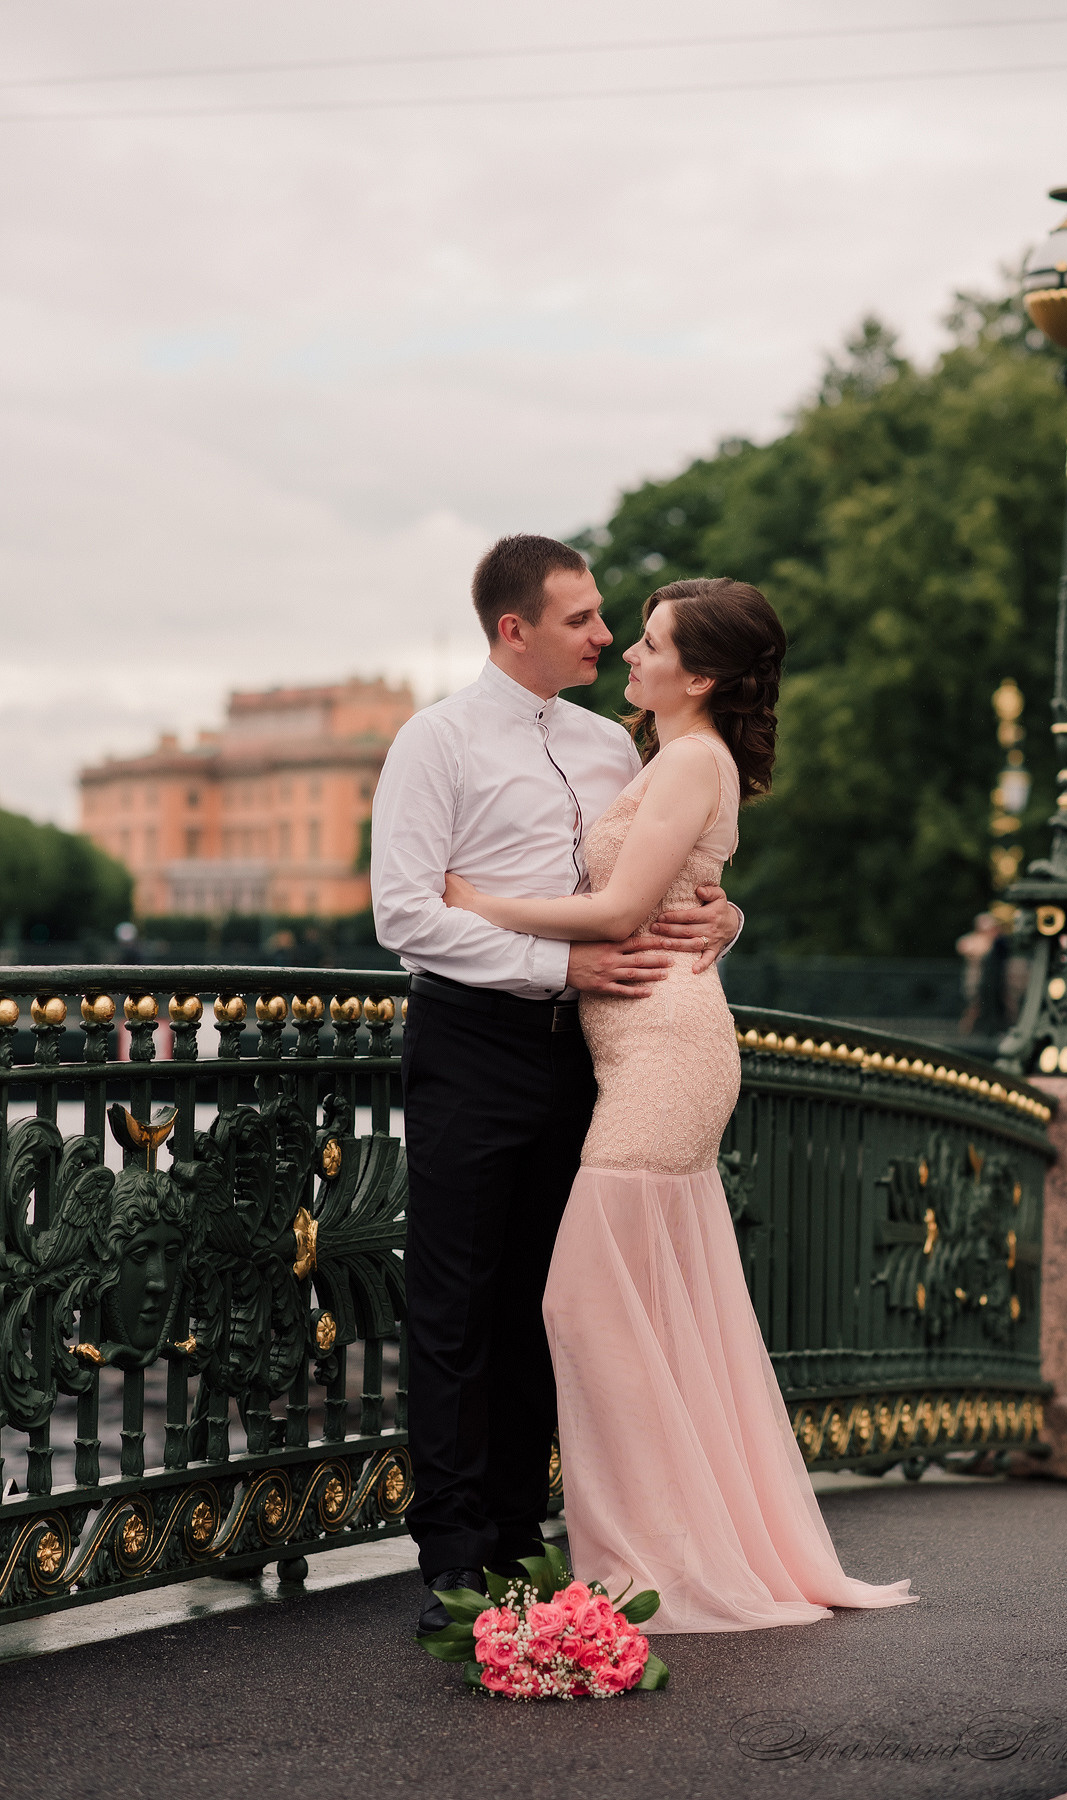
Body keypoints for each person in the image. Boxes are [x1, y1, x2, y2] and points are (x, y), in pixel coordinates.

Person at [444, 577, 916, 1632]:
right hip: (653, 1044)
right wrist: (727, 912)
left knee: (580, 1302)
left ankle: (641, 1561)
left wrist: (471, 901)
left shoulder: (689, 760)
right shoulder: (671, 758)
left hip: (665, 1054)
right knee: (656, 1310)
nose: (627, 656)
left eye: (648, 644)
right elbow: (671, 890)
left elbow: (616, 908)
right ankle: (678, 1544)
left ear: (696, 675)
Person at [371, 536, 743, 1635]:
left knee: (547, 1296)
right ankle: (450, 1551)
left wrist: (725, 913)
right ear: (512, 629)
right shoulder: (430, 743)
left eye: (605, 620)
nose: (601, 634)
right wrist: (554, 963)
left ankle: (520, 1528)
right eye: (580, 619)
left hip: (588, 1050)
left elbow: (659, 870)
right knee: (454, 1302)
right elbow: (405, 913)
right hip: (471, 1040)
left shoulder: (612, 748)